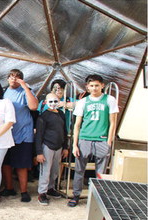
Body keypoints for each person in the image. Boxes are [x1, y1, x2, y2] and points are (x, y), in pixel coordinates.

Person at [68, 74, 118, 207]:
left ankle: (97, 198)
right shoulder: (83, 102)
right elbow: (77, 124)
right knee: (79, 169)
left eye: (97, 85)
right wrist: (75, 145)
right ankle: (76, 195)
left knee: (100, 172)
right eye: (91, 86)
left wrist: (109, 141)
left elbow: (113, 122)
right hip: (85, 138)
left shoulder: (109, 100)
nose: (94, 88)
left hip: (101, 139)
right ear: (87, 87)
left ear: (102, 85)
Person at [1, 69, 38, 202]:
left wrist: (25, 87)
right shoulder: (4, 91)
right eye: (11, 77)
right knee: (6, 163)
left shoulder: (25, 91)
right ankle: (9, 188)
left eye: (17, 77)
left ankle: (24, 191)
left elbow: (34, 106)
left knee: (22, 164)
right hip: (6, 133)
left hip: (23, 133)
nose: (13, 79)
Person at [35, 93, 69, 206]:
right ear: (45, 102)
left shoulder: (61, 114)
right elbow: (39, 135)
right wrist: (39, 152)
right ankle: (42, 192)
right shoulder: (43, 116)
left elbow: (64, 131)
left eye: (55, 101)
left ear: (59, 101)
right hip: (47, 146)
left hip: (58, 146)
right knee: (45, 170)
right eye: (51, 102)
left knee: (55, 170)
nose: (53, 104)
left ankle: (51, 188)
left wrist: (65, 147)